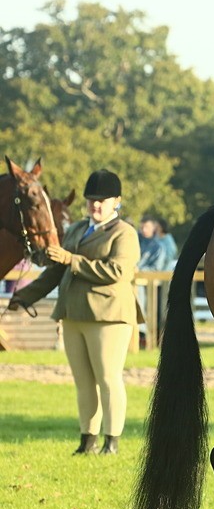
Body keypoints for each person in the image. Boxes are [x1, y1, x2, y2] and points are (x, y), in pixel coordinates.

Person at [7, 169, 142, 455]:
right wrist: (24, 296)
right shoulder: (78, 229)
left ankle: (112, 441)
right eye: (91, 199)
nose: (95, 205)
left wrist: (71, 258)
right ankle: (87, 439)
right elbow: (57, 270)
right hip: (72, 313)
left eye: (102, 200)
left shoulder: (124, 233)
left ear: (116, 201)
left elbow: (116, 271)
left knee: (108, 378)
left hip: (108, 315)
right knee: (83, 381)